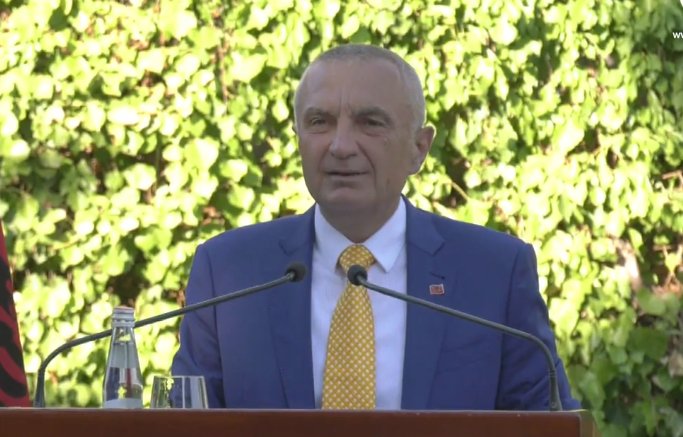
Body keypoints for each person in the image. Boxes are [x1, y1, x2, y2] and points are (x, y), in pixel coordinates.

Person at [171, 44, 581, 411]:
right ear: (298, 138)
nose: (340, 146)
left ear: (419, 148)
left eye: (370, 123)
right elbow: (185, 424)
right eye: (319, 121)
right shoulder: (229, 272)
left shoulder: (494, 272)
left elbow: (549, 423)